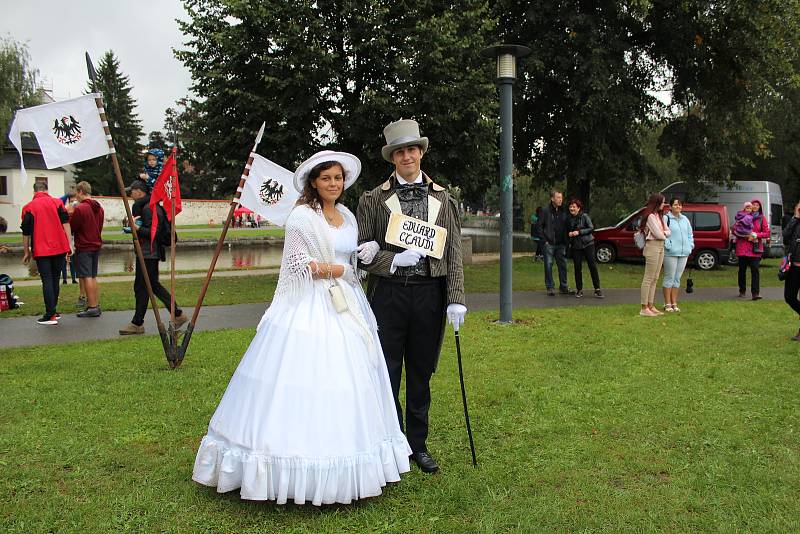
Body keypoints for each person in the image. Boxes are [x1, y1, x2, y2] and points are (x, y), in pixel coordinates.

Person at [193, 151, 410, 505]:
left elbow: (350, 256)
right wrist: (337, 270)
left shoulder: (348, 216)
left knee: (353, 375)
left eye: (338, 178)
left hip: (349, 303)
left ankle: (353, 454)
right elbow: (296, 263)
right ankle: (287, 465)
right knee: (304, 373)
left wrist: (363, 255)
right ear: (313, 182)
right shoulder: (301, 217)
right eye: (327, 179)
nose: (334, 184)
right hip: (312, 302)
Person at [356, 119, 466, 474]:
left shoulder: (443, 197)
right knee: (387, 371)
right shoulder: (373, 199)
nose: (407, 156)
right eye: (400, 151)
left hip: (429, 295)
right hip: (388, 294)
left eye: (412, 149)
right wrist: (390, 260)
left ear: (420, 152)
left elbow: (453, 252)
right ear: (392, 157)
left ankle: (418, 444)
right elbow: (361, 255)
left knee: (421, 371)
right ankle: (392, 443)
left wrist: (455, 297)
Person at [118, 180, 188, 335]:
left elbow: (152, 233)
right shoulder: (147, 206)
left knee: (144, 287)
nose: (130, 194)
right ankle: (176, 314)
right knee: (149, 286)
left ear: (140, 191)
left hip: (149, 253)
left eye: (133, 190)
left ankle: (138, 323)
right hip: (147, 252)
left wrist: (136, 228)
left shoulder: (149, 208)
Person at [20, 181, 73, 325]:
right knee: (55, 279)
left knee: (47, 280)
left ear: (34, 192)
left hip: (41, 248)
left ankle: (50, 314)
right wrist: (69, 245)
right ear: (47, 190)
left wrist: (26, 251)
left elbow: (26, 233)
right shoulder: (57, 203)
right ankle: (53, 311)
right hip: (60, 246)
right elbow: (66, 223)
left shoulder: (28, 208)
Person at [69, 181, 105, 318]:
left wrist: (70, 214)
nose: (76, 197)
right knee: (93, 275)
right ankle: (95, 302)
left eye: (76, 193)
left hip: (84, 245)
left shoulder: (81, 208)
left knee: (86, 276)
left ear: (80, 192)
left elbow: (73, 227)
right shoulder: (99, 208)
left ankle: (92, 306)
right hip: (96, 243)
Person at [639, 193, 670, 317]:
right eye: (662, 202)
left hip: (661, 245)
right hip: (652, 245)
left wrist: (664, 233)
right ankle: (644, 307)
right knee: (648, 277)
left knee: (655, 277)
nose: (664, 204)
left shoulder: (659, 216)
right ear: (656, 203)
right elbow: (659, 234)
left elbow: (668, 230)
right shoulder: (650, 216)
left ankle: (651, 305)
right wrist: (664, 233)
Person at [536, 190, 572, 295]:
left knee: (563, 265)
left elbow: (567, 225)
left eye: (561, 197)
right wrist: (545, 241)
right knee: (548, 265)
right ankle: (550, 287)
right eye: (558, 197)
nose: (560, 200)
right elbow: (538, 227)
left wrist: (567, 241)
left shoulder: (563, 211)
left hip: (561, 244)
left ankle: (564, 286)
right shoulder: (545, 210)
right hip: (549, 243)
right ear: (552, 199)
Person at [662, 198, 694, 312]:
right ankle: (667, 303)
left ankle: (674, 302)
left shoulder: (685, 219)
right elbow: (662, 233)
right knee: (669, 277)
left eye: (680, 205)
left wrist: (690, 246)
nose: (678, 207)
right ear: (670, 207)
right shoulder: (666, 218)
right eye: (675, 205)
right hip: (670, 253)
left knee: (677, 278)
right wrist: (668, 245)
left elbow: (690, 234)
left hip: (684, 253)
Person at [566, 199, 603, 298]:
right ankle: (579, 289)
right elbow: (566, 230)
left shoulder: (584, 216)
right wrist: (569, 233)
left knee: (592, 265)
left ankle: (597, 289)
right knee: (577, 267)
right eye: (570, 207)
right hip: (576, 246)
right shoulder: (569, 219)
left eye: (574, 207)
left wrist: (580, 232)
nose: (572, 208)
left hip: (588, 244)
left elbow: (591, 228)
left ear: (578, 208)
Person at [736, 198, 770, 300]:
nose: (755, 206)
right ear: (749, 206)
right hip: (742, 248)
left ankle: (755, 293)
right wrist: (746, 235)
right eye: (753, 204)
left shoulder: (761, 218)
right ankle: (742, 290)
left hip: (755, 249)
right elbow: (735, 229)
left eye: (757, 205)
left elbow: (767, 233)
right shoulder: (743, 216)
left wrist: (756, 235)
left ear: (759, 207)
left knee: (755, 270)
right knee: (742, 270)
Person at [783, 201, 800, 340]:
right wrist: (795, 218)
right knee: (789, 297)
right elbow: (785, 237)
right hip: (793, 267)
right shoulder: (795, 222)